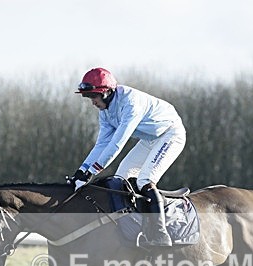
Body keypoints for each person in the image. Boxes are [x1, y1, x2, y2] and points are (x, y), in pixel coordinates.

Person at [69, 67, 187, 247]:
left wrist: (91, 172)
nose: (92, 102)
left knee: (145, 180)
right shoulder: (105, 112)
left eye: (93, 96)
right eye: (88, 97)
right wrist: (82, 170)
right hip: (150, 139)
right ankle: (136, 226)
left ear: (107, 92)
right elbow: (101, 145)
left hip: (170, 134)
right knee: (120, 178)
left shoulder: (130, 103)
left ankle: (160, 233)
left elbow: (117, 144)